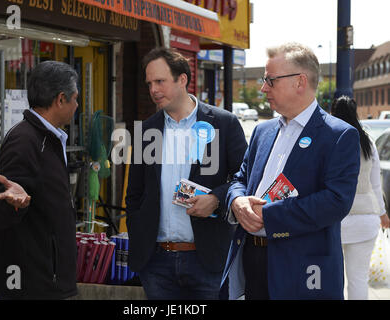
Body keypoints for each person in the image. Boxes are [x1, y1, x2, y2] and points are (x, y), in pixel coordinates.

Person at [221, 43, 361, 300]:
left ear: (300, 82)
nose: (263, 88)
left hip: (302, 271)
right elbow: (240, 179)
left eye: (270, 80)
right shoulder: (263, 132)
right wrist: (238, 201)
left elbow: (336, 201)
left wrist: (268, 215)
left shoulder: (339, 136)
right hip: (253, 261)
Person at [125, 47, 248, 300]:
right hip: (156, 263)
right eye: (149, 83)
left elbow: (245, 178)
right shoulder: (146, 131)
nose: (153, 90)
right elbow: (134, 194)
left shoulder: (224, 123)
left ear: (182, 79)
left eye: (160, 81)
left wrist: (216, 198)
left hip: (208, 260)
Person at [0, 61, 79, 300]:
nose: (77, 105)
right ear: (60, 99)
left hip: (47, 281)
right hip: (31, 286)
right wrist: (11, 203)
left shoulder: (50, 138)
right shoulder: (25, 141)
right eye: (75, 98)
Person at [331, 96, 390, 300]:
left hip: (334, 218)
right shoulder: (367, 141)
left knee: (332, 279)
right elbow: (376, 184)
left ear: (333, 113)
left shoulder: (330, 138)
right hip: (365, 219)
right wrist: (382, 214)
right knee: (358, 279)